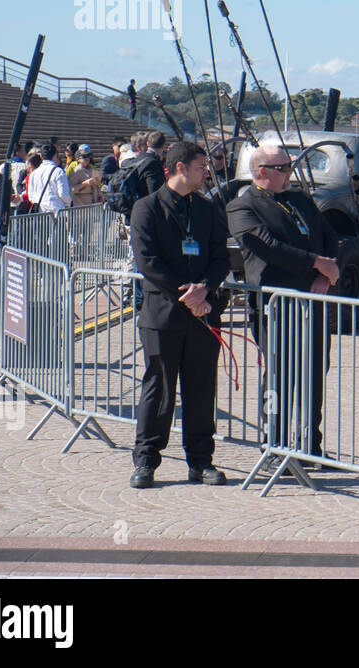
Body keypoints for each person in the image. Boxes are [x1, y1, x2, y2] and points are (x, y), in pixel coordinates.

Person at [127, 141, 231, 488]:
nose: (207, 172)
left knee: (201, 388)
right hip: (163, 313)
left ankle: (201, 461)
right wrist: (187, 294)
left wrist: (204, 287)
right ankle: (146, 460)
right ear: (180, 168)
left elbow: (221, 257)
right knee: (159, 388)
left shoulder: (208, 208)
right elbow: (148, 262)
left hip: (203, 313)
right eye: (202, 166)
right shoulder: (147, 207)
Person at [227, 143, 340, 462]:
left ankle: (310, 444)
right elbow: (269, 246)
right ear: (262, 171)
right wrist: (316, 262)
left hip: (313, 301)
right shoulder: (243, 207)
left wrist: (326, 274)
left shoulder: (300, 199)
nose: (290, 172)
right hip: (275, 306)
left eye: (290, 166)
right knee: (280, 375)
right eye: (283, 168)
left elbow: (330, 237)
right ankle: (274, 443)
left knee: (314, 371)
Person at [25, 144, 72, 214]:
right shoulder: (59, 171)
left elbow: (31, 196)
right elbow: (63, 194)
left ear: (41, 156)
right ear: (56, 155)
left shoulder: (33, 174)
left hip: (40, 213)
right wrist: (69, 203)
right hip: (57, 212)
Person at [134, 131, 167, 199]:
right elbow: (155, 192)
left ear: (148, 143)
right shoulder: (153, 163)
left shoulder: (138, 158)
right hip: (145, 204)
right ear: (163, 146)